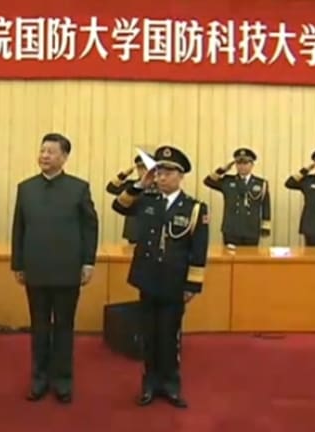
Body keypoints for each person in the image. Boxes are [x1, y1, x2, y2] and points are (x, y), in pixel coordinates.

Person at [111, 145, 209, 409]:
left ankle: (171, 385)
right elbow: (118, 206)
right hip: (148, 278)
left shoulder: (195, 208)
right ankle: (150, 383)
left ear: (180, 176)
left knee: (170, 335)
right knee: (150, 334)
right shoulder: (147, 200)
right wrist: (141, 184)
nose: (162, 177)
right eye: (159, 172)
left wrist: (193, 284)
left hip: (175, 283)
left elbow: (198, 250)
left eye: (167, 173)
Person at [11, 132, 99, 404]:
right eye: (42, 150)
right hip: (35, 269)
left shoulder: (78, 188)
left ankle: (62, 380)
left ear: (64, 157)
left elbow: (90, 227)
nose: (44, 156)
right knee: (38, 327)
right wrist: (18, 263)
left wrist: (88, 262)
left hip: (67, 269)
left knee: (63, 327)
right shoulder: (26, 188)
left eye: (51, 151)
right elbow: (18, 228)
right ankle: (38, 378)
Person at [203, 148, 271, 246]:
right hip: (231, 229)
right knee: (230, 259)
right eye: (239, 163)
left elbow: (265, 205)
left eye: (245, 163)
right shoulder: (228, 181)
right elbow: (208, 181)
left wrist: (265, 226)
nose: (242, 166)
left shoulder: (261, 183)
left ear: (252, 165)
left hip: (251, 229)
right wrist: (223, 170)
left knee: (249, 259)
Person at [106, 155, 151, 244]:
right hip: (134, 232)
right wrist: (124, 174)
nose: (143, 171)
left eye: (145, 167)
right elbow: (111, 188)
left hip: (152, 232)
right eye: (140, 168)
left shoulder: (160, 187)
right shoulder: (131, 185)